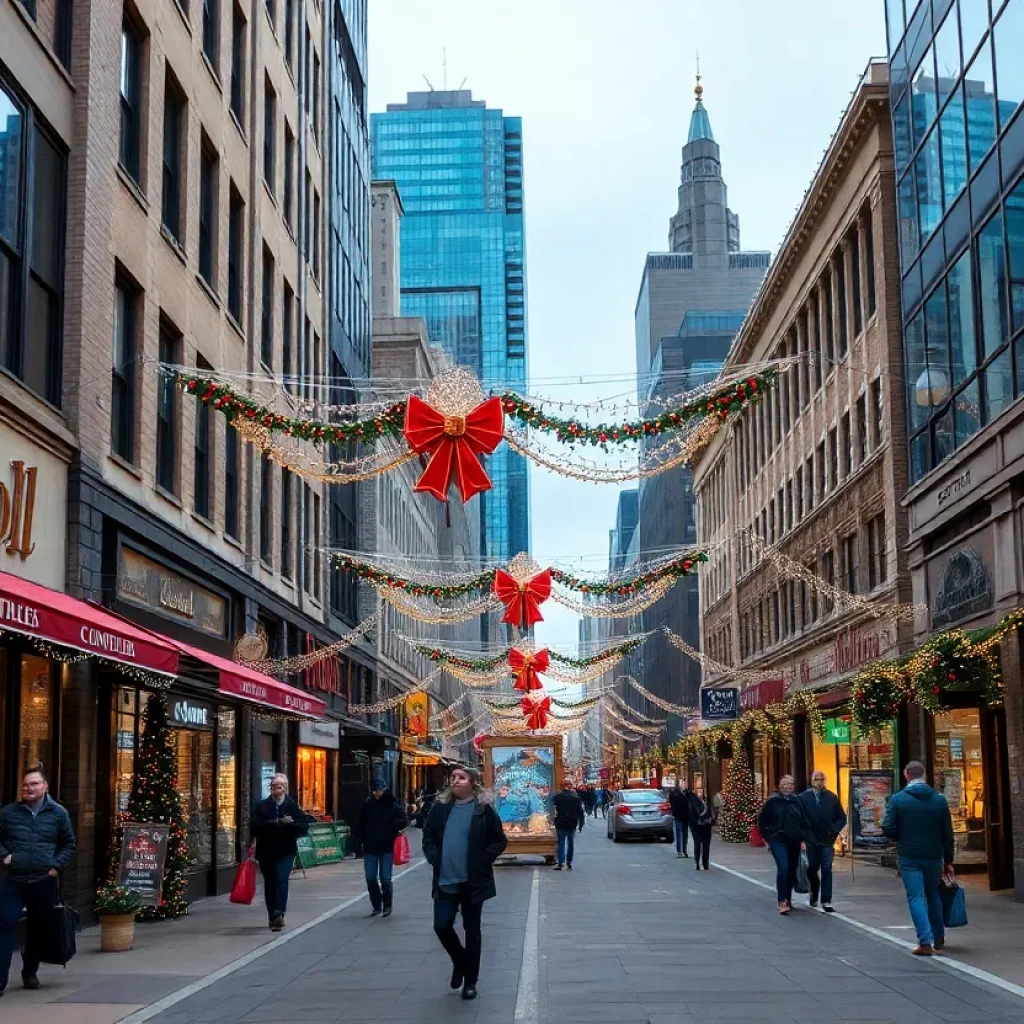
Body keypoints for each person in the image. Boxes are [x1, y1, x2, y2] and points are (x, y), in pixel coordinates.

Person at [422, 766, 507, 1001]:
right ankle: (460, 962)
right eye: (453, 778)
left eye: (461, 778)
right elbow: (428, 836)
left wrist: (482, 860)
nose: (456, 781)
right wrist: (434, 858)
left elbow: (499, 840)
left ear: (472, 782)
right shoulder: (440, 808)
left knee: (472, 931)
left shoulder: (483, 810)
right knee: (441, 926)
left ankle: (471, 981)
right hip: (445, 879)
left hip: (473, 882)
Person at [0, 765, 76, 997]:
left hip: (43, 879)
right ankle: (0, 980)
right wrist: (5, 855)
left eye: (34, 784)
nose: (28, 788)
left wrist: (56, 866)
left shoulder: (58, 813)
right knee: (5, 924)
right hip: (13, 879)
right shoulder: (9, 812)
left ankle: (29, 972)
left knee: (36, 929)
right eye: (25, 784)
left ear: (45, 787)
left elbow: (69, 843)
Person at [881, 760, 955, 956]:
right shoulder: (939, 800)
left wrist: (900, 837)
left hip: (909, 855)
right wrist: (948, 860)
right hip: (933, 855)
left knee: (916, 897)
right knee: (933, 895)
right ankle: (939, 937)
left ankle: (924, 941)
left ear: (907, 775)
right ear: (924, 776)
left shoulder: (898, 800)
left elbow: (887, 827)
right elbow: (948, 833)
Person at [250, 773, 309, 932]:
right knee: (270, 883)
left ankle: (279, 913)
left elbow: (304, 827)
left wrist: (292, 824)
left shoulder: (292, 806)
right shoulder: (261, 806)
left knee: (282, 880)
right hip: (267, 851)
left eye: (280, 787)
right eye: (274, 787)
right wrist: (273, 824)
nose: (277, 790)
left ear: (284, 788)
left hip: (285, 851)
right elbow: (253, 828)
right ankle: (272, 915)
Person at [758, 774, 811, 914]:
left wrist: (803, 838)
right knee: (784, 867)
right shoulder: (772, 802)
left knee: (791, 870)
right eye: (785, 784)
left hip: (794, 841)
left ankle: (788, 898)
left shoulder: (798, 802)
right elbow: (762, 821)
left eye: (790, 784)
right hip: (778, 840)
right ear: (780, 787)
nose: (788, 787)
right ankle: (782, 900)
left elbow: (806, 822)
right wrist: (769, 837)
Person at [358, 776, 408, 918]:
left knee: (385, 878)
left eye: (379, 790)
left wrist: (394, 824)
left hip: (387, 845)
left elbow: (403, 820)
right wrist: (361, 840)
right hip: (370, 846)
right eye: (375, 791)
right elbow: (361, 823)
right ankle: (376, 905)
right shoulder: (367, 804)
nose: (377, 793)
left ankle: (387, 905)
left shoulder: (392, 804)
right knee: (370, 878)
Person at [798, 770, 847, 913]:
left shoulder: (831, 797)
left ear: (825, 781)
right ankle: (814, 890)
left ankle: (826, 900)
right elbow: (798, 817)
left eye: (821, 779)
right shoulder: (803, 797)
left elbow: (841, 817)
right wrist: (803, 834)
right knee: (812, 868)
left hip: (827, 840)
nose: (819, 781)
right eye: (816, 779)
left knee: (827, 868)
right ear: (811, 780)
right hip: (811, 840)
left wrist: (833, 830)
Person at [552, 784, 585, 870]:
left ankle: (560, 862)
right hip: (572, 823)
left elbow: (553, 809)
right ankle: (569, 862)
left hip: (560, 822)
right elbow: (581, 813)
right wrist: (581, 824)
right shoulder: (576, 798)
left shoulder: (557, 797)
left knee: (561, 842)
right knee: (570, 843)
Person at [687, 782, 714, 870]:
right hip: (699, 826)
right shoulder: (695, 803)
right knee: (699, 845)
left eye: (701, 792)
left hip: (704, 826)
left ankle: (703, 863)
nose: (700, 794)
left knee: (704, 845)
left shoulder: (706, 802)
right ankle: (699, 863)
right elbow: (693, 816)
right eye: (698, 793)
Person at [668, 780, 690, 858]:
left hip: (686, 815)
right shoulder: (675, 793)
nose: (683, 784)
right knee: (679, 833)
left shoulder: (688, 792)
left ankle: (684, 850)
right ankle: (680, 851)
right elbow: (671, 802)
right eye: (682, 783)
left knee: (684, 833)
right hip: (678, 815)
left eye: (684, 783)